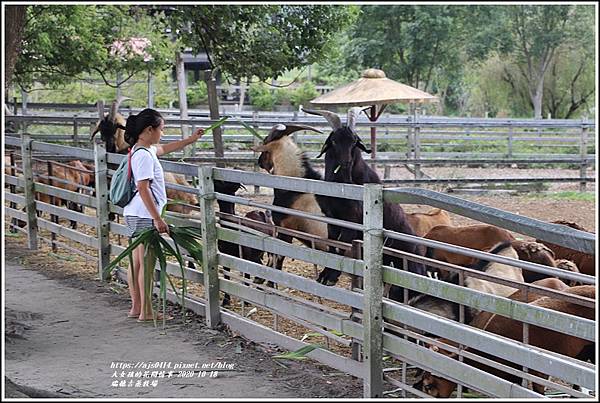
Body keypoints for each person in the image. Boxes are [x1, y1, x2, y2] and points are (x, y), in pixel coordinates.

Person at [122, 108, 204, 321]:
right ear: (149, 129)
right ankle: (147, 311)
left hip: (135, 213)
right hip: (144, 216)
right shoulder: (144, 157)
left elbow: (166, 148)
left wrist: (191, 139)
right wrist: (157, 218)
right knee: (146, 264)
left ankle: (137, 308)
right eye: (162, 129)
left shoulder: (141, 150)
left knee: (137, 262)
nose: (163, 134)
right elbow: (143, 187)